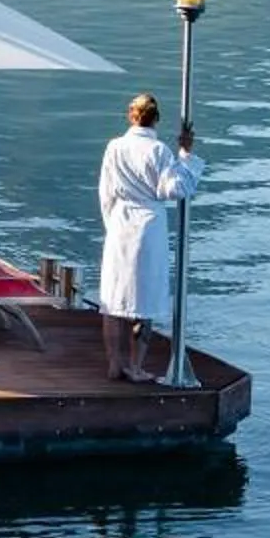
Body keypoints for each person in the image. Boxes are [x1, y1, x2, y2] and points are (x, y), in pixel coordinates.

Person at [97, 92, 200, 383]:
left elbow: (105, 193)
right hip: (148, 227)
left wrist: (111, 225)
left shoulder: (114, 148)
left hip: (120, 223)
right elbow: (173, 189)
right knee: (144, 301)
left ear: (131, 115)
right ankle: (136, 366)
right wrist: (186, 156)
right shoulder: (158, 150)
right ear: (156, 118)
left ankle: (114, 364)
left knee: (114, 300)